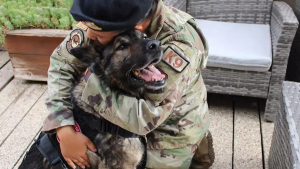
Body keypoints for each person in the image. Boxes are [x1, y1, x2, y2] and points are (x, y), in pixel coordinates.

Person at [43, 0, 215, 168]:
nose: (88, 35)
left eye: (97, 33)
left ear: (135, 27)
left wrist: (90, 85)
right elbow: (62, 65)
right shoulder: (104, 20)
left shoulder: (180, 41)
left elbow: (146, 116)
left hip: (171, 127)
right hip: (123, 110)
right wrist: (63, 128)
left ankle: (198, 148)